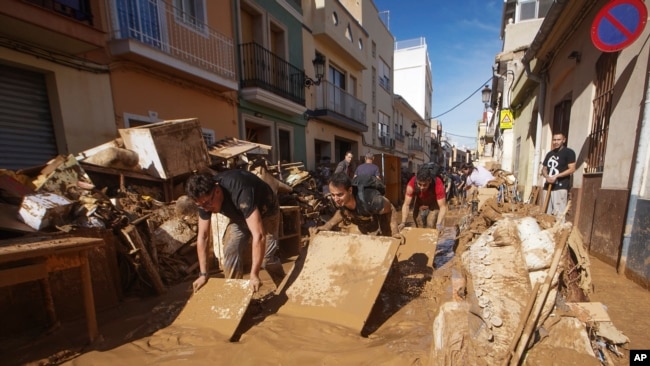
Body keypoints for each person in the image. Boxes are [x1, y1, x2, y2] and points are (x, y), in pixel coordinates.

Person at [185, 170, 286, 293]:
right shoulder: (204, 200)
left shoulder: (240, 190)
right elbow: (203, 236)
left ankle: (284, 286)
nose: (206, 209)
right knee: (231, 249)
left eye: (207, 204)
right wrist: (203, 274)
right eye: (201, 206)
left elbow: (258, 236)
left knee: (266, 258)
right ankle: (235, 294)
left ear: (217, 191)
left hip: (267, 211)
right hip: (239, 217)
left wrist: (254, 274)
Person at [311, 172, 400, 237]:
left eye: (340, 194)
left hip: (378, 214)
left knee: (385, 240)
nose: (335, 199)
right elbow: (342, 212)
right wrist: (327, 226)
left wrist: (395, 232)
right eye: (333, 194)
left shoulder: (371, 199)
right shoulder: (337, 201)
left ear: (350, 190)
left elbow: (390, 208)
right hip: (362, 218)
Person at [398, 165, 448, 232]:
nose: (421, 187)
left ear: (430, 181)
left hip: (433, 203)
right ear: (417, 181)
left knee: (430, 223)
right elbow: (406, 204)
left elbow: (443, 207)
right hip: (419, 202)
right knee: (419, 225)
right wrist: (403, 222)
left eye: (424, 185)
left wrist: (438, 224)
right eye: (419, 184)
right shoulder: (412, 184)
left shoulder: (438, 183)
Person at [541, 132, 576, 215]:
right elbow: (544, 168)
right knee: (546, 214)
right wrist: (547, 176)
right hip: (547, 186)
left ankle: (559, 228)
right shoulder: (549, 154)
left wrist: (556, 176)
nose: (556, 142)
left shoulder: (569, 152)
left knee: (558, 213)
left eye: (558, 140)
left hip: (560, 187)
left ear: (564, 140)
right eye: (554, 140)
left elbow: (572, 169)